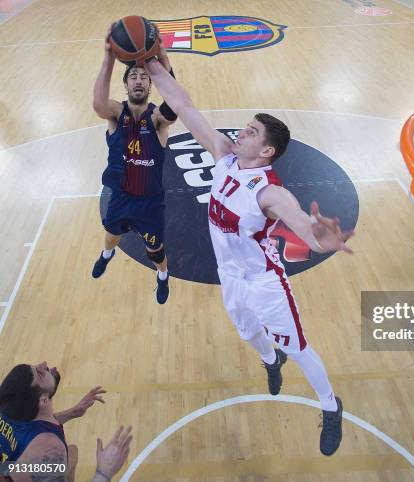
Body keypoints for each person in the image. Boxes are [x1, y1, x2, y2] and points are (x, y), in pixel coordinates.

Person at [143, 44, 354, 456]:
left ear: (267, 151)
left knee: (298, 346)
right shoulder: (223, 155)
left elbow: (305, 229)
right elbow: (184, 105)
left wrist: (323, 238)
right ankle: (271, 361)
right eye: (245, 127)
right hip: (231, 275)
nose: (241, 133)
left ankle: (330, 405)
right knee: (247, 332)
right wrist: (152, 66)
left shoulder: (272, 193)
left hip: (264, 280)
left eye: (251, 132)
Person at [91, 28, 178, 304]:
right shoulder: (117, 114)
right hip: (121, 197)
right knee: (111, 235)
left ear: (151, 84)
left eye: (144, 77)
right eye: (133, 77)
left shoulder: (157, 120)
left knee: (156, 249)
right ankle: (107, 255)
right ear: (126, 85)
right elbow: (99, 104)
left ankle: (163, 276)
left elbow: (175, 105)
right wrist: (107, 60)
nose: (139, 80)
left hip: (150, 203)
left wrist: (164, 59)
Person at [0, 362, 108, 481]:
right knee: (70, 455)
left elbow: (28, 428)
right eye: (39, 374)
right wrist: (103, 473)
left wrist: (72, 412)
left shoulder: (12, 409)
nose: (43, 364)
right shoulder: (50, 448)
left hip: (11, 467)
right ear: (44, 400)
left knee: (72, 453)